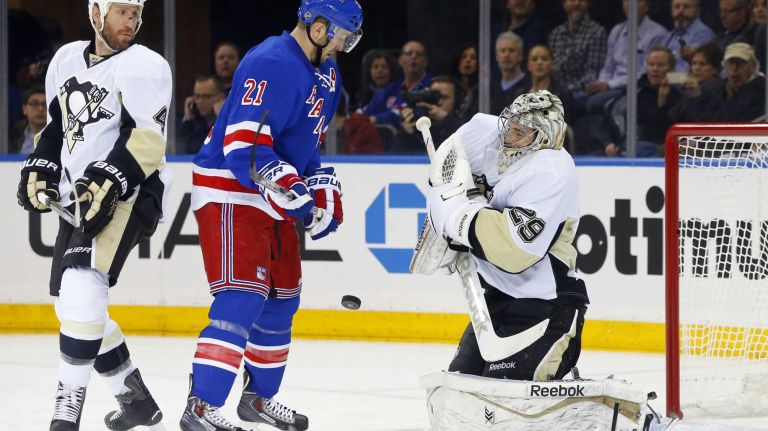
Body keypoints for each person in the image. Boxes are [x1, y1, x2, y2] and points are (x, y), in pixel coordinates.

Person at [181, 1, 362, 430]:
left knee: (283, 300)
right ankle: (201, 406)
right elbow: (242, 148)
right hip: (231, 187)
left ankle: (258, 398)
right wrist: (291, 187)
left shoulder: (328, 74)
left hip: (273, 191)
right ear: (317, 27)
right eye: (341, 35)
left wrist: (317, 183)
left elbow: (304, 145)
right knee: (242, 296)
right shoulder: (270, 61)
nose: (343, 46)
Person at [16, 1, 172, 430]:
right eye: (122, 12)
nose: (132, 21)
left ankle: (66, 413)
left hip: (134, 190)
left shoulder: (146, 65)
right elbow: (53, 128)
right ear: (95, 13)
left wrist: (110, 177)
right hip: (81, 197)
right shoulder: (66, 59)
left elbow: (148, 139)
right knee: (71, 308)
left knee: (83, 286)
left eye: (136, 13)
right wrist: (41, 163)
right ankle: (134, 398)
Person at [424, 90, 588, 380]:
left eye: (521, 131)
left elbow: (514, 250)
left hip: (546, 308)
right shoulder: (489, 137)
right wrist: (449, 208)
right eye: (510, 125)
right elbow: (449, 168)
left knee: (508, 397)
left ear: (544, 137)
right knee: (463, 389)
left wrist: (459, 217)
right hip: (497, 301)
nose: (509, 135)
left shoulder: (552, 170)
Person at [583, 0, 666, 115]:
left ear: (646, 6)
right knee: (574, 99)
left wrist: (609, 85)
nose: (631, 4)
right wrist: (601, 83)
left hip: (634, 88)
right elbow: (608, 66)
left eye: (638, 1)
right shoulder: (616, 30)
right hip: (611, 84)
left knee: (593, 103)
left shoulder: (657, 34)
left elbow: (644, 74)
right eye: (627, 1)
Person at [547, 0, 607, 104]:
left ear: (587, 3)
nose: (576, 3)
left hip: (580, 94)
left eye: (581, 0)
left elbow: (592, 74)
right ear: (564, 4)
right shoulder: (555, 34)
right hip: (554, 92)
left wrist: (564, 93)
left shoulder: (596, 32)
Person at [396, 75, 464, 152]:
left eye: (445, 97)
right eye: (434, 96)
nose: (439, 102)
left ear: (456, 100)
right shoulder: (416, 121)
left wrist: (447, 120)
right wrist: (406, 133)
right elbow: (395, 158)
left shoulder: (462, 124)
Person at [667, 43, 725, 122]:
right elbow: (672, 117)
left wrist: (696, 96)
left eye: (702, 64)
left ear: (715, 69)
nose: (697, 68)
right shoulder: (691, 86)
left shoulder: (719, 91)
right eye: (694, 63)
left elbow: (702, 122)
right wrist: (663, 98)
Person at [662, 0, 716, 72]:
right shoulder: (668, 36)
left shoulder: (704, 34)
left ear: (698, 11)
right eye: (677, 7)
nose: (681, 11)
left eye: (686, 7)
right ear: (672, 11)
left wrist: (667, 78)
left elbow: (692, 75)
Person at [178, 75, 225, 154]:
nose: (200, 101)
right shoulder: (195, 124)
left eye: (206, 96)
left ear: (221, 98)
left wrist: (221, 119)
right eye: (197, 96)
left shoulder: (231, 123)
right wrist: (187, 117)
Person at [491, 32, 528, 114]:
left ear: (520, 55)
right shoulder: (491, 87)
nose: (506, 55)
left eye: (511, 50)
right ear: (497, 56)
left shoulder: (529, 85)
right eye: (502, 51)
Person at [9, 85, 47, 154]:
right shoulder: (11, 136)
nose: (41, 109)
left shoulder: (61, 135)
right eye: (35, 104)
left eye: (45, 104)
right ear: (24, 109)